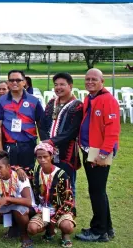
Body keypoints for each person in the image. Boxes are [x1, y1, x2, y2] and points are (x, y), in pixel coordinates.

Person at [75, 68, 119, 242]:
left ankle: (99, 231)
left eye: (94, 79)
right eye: (87, 79)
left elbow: (112, 129)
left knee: (97, 192)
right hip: (88, 150)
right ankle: (107, 227)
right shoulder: (90, 98)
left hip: (99, 152)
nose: (90, 82)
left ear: (102, 81)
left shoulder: (107, 100)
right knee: (98, 191)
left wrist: (104, 152)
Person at [19, 143, 76, 248]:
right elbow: (15, 170)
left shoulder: (61, 174)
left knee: (67, 226)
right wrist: (18, 169)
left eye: (45, 156)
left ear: (51, 156)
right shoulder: (36, 171)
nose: (42, 159)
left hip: (60, 208)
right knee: (32, 229)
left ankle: (65, 235)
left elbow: (69, 201)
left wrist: (54, 220)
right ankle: (49, 231)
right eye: (39, 157)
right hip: (44, 209)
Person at [38, 73, 83, 195]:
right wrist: (47, 144)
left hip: (66, 152)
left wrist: (52, 142)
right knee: (50, 182)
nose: (58, 87)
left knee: (67, 184)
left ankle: (68, 211)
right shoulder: (52, 103)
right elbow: (42, 125)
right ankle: (52, 211)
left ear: (70, 86)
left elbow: (72, 131)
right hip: (49, 152)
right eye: (56, 85)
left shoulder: (77, 105)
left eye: (62, 84)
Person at [0, 70, 44, 170]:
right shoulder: (1, 101)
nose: (14, 83)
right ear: (8, 83)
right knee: (10, 175)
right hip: (9, 144)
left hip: (29, 144)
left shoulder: (34, 100)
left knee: (28, 175)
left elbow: (40, 124)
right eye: (11, 80)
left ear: (24, 82)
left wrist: (44, 145)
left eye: (18, 80)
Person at [0, 151, 35, 248]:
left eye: (0, 167)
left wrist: (7, 198)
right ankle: (14, 228)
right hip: (9, 206)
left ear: (8, 167)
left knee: (18, 210)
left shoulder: (19, 176)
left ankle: (24, 236)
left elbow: (28, 201)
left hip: (25, 207)